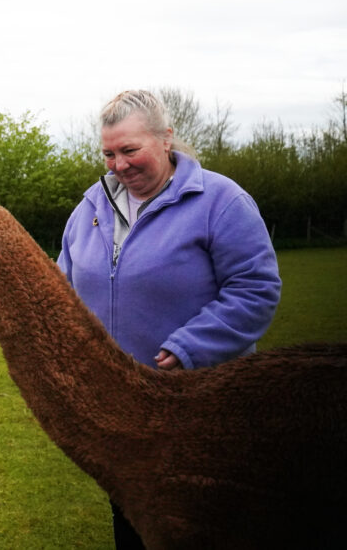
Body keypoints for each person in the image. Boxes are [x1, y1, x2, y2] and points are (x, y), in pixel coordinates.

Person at [57, 89, 281, 549]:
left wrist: (191, 347)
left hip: (203, 409)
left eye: (130, 150)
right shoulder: (89, 209)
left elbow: (255, 288)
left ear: (165, 138)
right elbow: (63, 289)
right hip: (122, 412)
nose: (118, 165)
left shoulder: (221, 201)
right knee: (135, 524)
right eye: (108, 154)